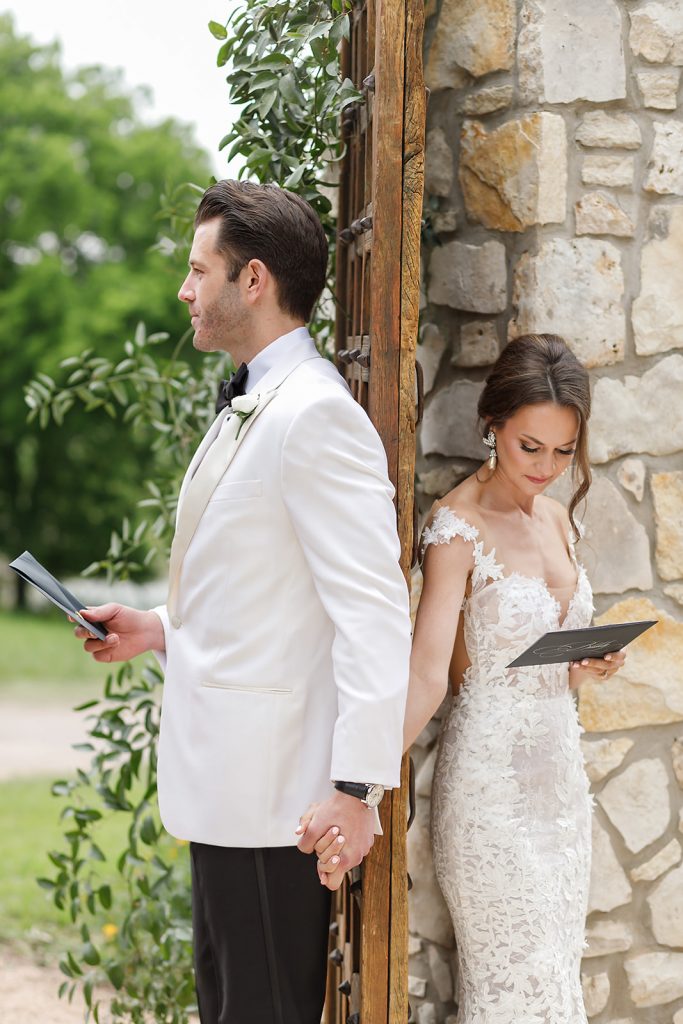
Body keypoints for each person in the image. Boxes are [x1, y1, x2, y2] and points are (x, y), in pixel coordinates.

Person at [73, 179, 412, 1024]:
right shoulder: (254, 400)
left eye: (198, 270)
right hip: (229, 792)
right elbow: (260, 587)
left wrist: (356, 788)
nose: (184, 290)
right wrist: (156, 628)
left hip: (278, 806)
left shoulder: (315, 418)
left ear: (250, 280)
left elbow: (373, 615)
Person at [399, 335, 623, 1023]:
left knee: (555, 980)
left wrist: (587, 664)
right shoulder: (456, 525)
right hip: (489, 793)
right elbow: (429, 673)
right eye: (530, 447)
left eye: (562, 451)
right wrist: (357, 776)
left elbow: (546, 665)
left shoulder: (558, 519)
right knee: (508, 989)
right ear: (491, 424)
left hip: (559, 784)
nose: (547, 468)